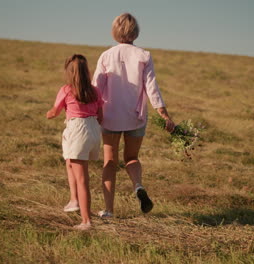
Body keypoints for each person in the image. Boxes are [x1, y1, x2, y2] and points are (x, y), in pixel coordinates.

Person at [92, 13, 175, 218]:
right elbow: (151, 87)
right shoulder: (144, 55)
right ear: (135, 32)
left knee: (109, 162)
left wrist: (91, 112)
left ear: (114, 31)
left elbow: (96, 88)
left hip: (110, 116)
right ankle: (138, 186)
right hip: (136, 117)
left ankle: (109, 210)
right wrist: (163, 114)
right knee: (131, 158)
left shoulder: (106, 56)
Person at [46, 54, 103, 230]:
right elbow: (101, 115)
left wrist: (49, 114)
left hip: (77, 129)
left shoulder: (66, 90)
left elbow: (55, 112)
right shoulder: (95, 91)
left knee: (82, 179)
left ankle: (86, 221)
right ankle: (74, 200)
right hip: (94, 129)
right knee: (70, 162)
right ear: (87, 72)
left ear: (69, 73)